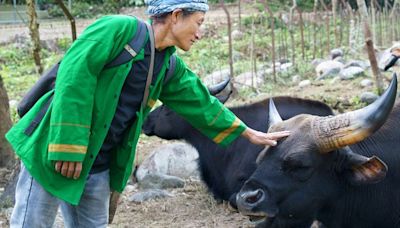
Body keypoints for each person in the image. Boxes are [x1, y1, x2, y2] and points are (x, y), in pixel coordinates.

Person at [6, 0, 290, 227]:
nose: (200, 33)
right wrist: (68, 148)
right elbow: (73, 77)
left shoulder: (168, 66)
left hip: (99, 165)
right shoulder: (116, 30)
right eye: (198, 23)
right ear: (177, 15)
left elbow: (202, 103)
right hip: (52, 152)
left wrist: (247, 132)